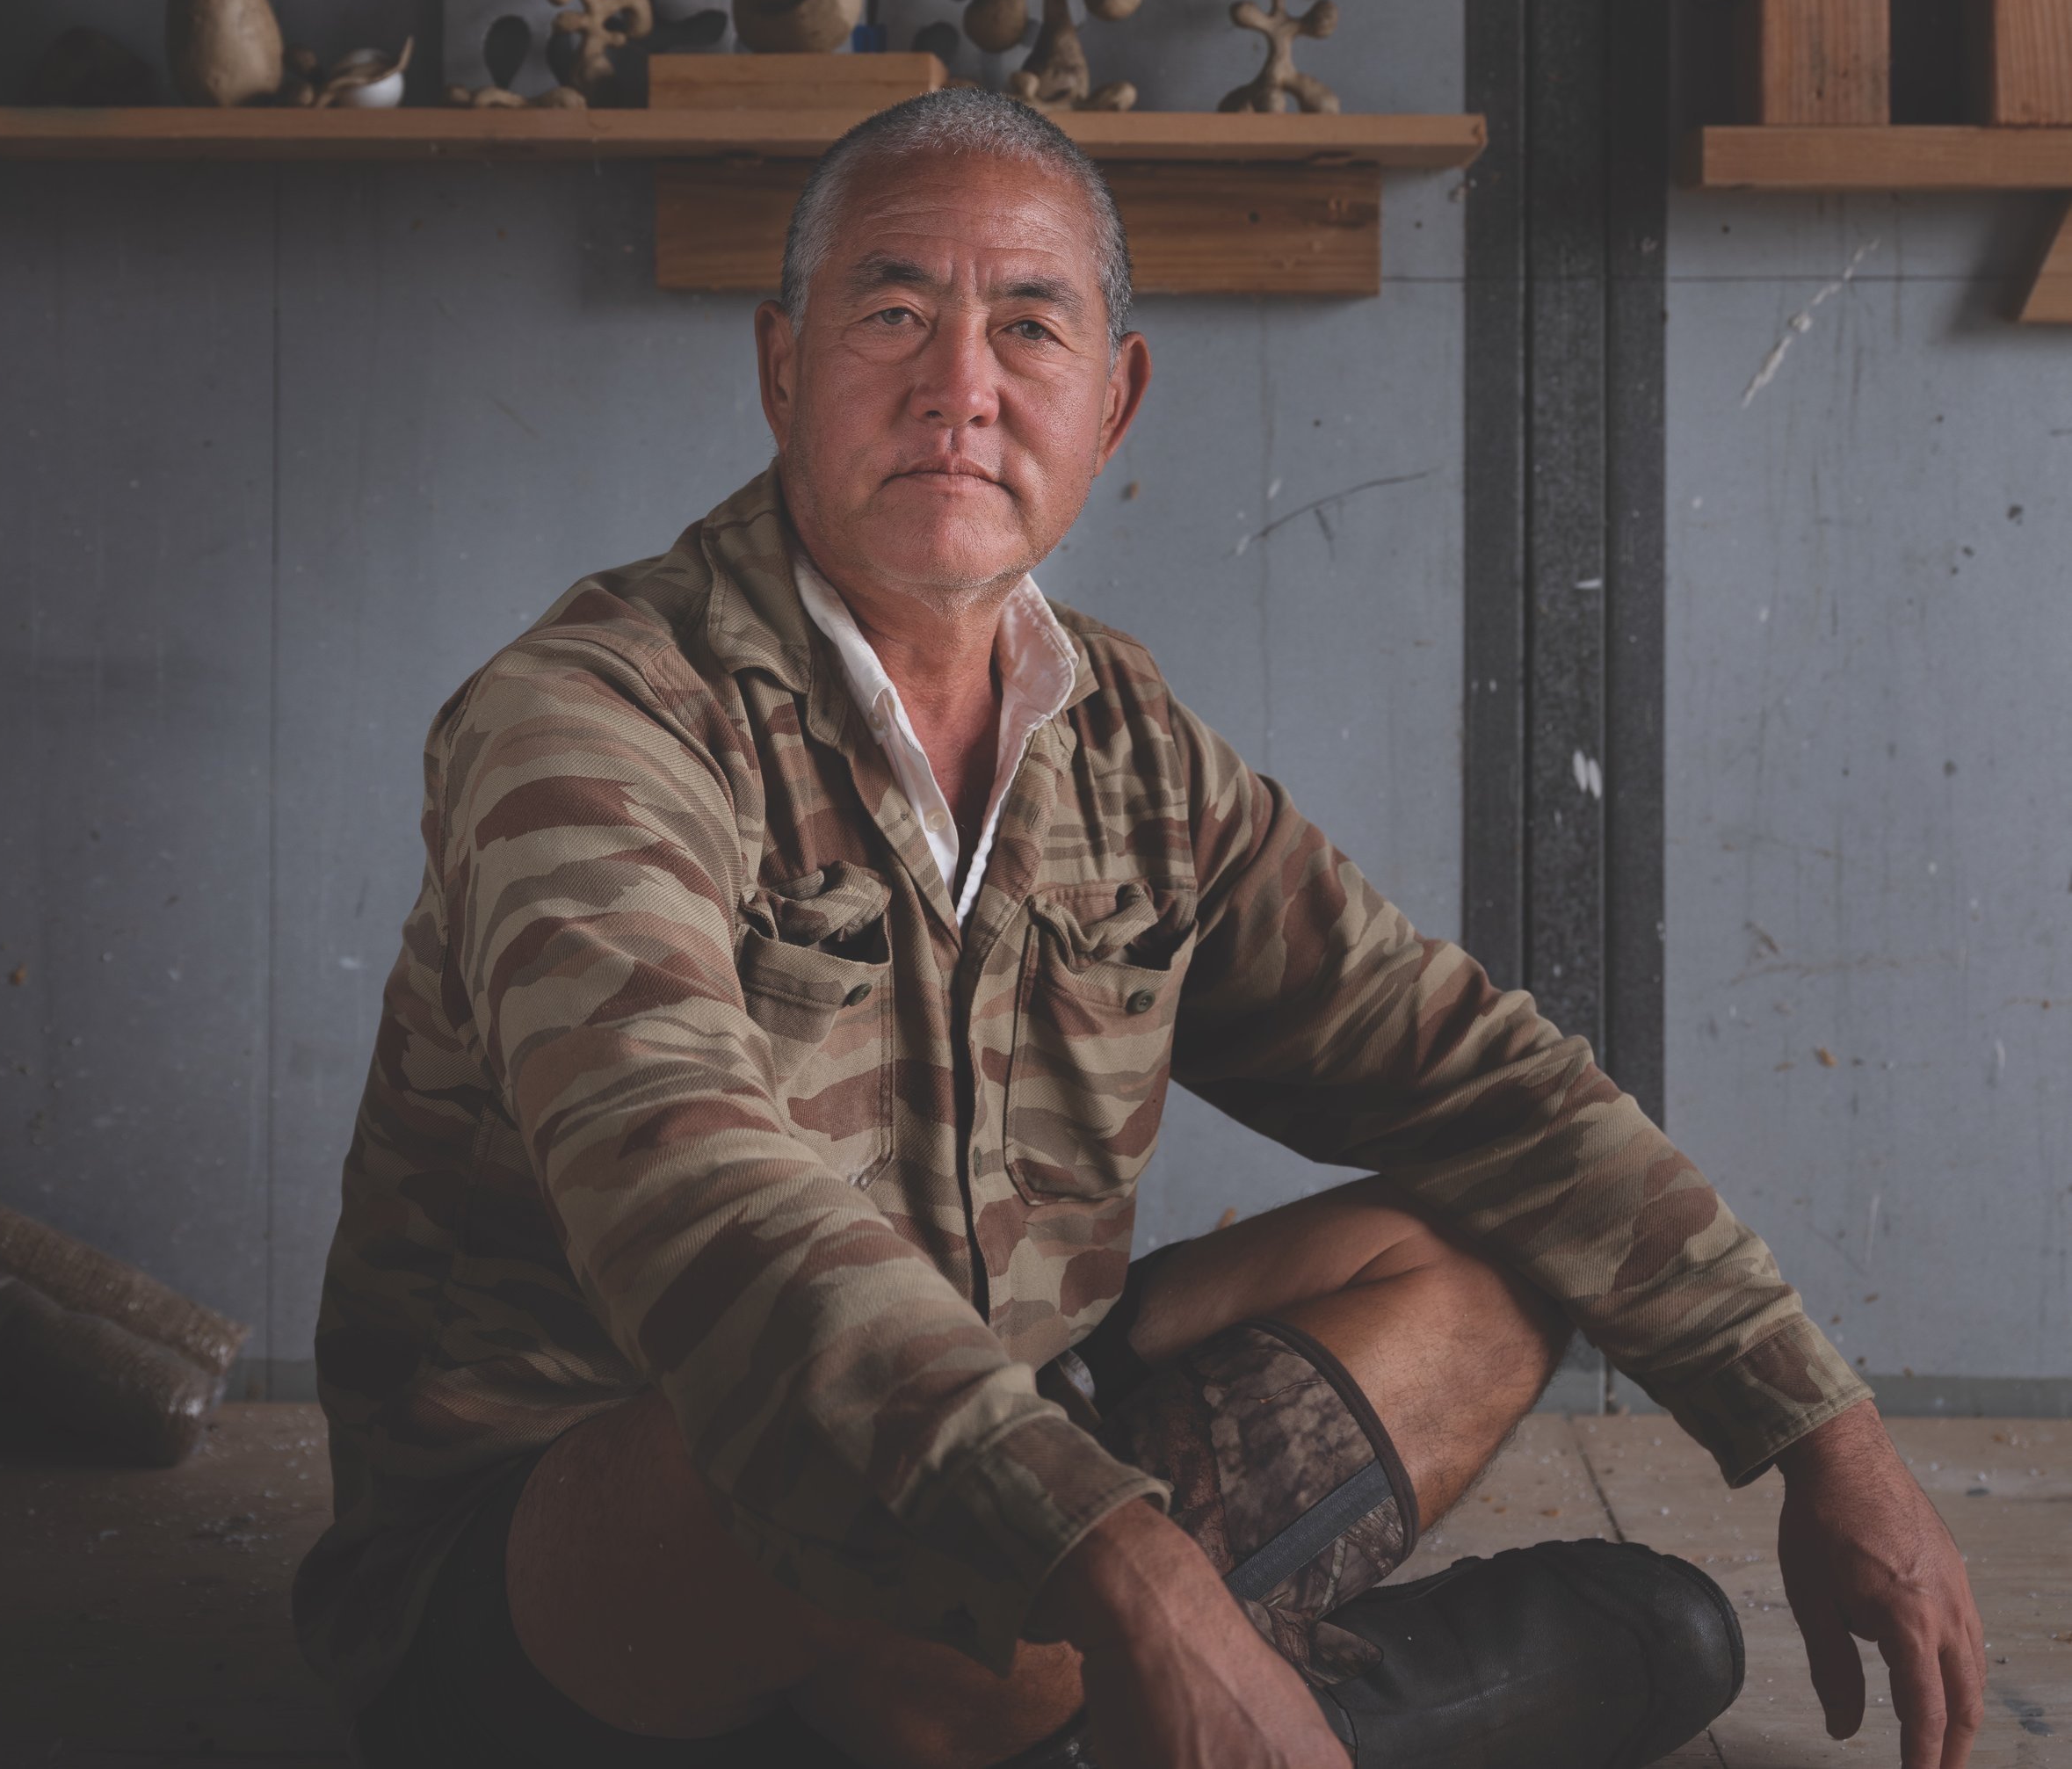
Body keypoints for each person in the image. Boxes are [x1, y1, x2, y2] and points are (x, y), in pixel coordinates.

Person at [297, 89, 1984, 1769]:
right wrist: (1130, 1565)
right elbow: (700, 1208)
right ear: (781, 365)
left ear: (1114, 399)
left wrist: (1820, 1423)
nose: (961, 385)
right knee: (826, 1492)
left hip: (1020, 1425)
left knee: (1483, 1257)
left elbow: (1467, 1070)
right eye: (893, 312)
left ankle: (1055, 1714)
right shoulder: (589, 718)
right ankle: (1231, 1700)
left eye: (1029, 326)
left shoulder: (1127, 743)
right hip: (580, 1539)